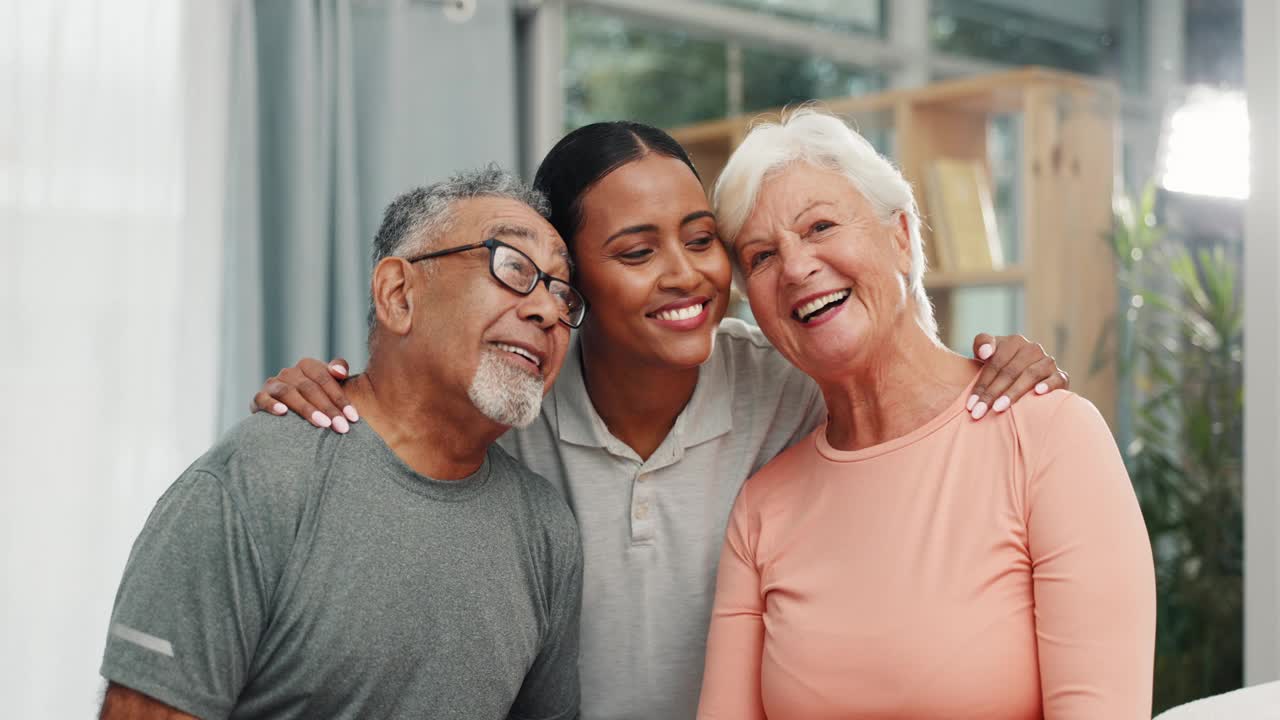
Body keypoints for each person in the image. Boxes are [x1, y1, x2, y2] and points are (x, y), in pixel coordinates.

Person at [253, 122, 1069, 720]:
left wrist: (995, 368)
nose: (686, 277)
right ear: (566, 285)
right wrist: (322, 391)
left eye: (703, 240)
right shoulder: (513, 401)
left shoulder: (784, 382)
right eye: (636, 253)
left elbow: (896, 394)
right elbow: (406, 404)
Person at [696, 109, 1155, 719]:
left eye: (821, 226)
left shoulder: (1050, 438)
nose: (797, 268)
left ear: (903, 237)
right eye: (761, 257)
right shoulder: (761, 509)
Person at [99, 168, 584, 720]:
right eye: (513, 266)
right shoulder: (256, 482)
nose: (548, 311)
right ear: (398, 295)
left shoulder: (547, 531)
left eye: (563, 293)